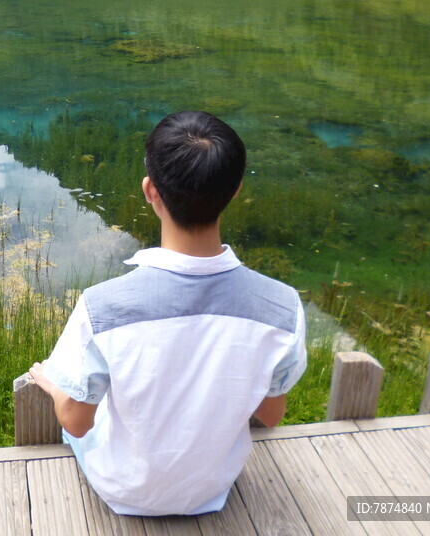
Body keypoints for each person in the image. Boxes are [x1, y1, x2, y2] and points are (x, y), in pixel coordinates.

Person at [28, 110, 307, 517]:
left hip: (123, 491)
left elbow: (75, 423)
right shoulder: (282, 308)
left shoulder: (103, 307)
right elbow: (270, 413)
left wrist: (54, 386)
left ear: (150, 190)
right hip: (213, 489)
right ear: (234, 191)